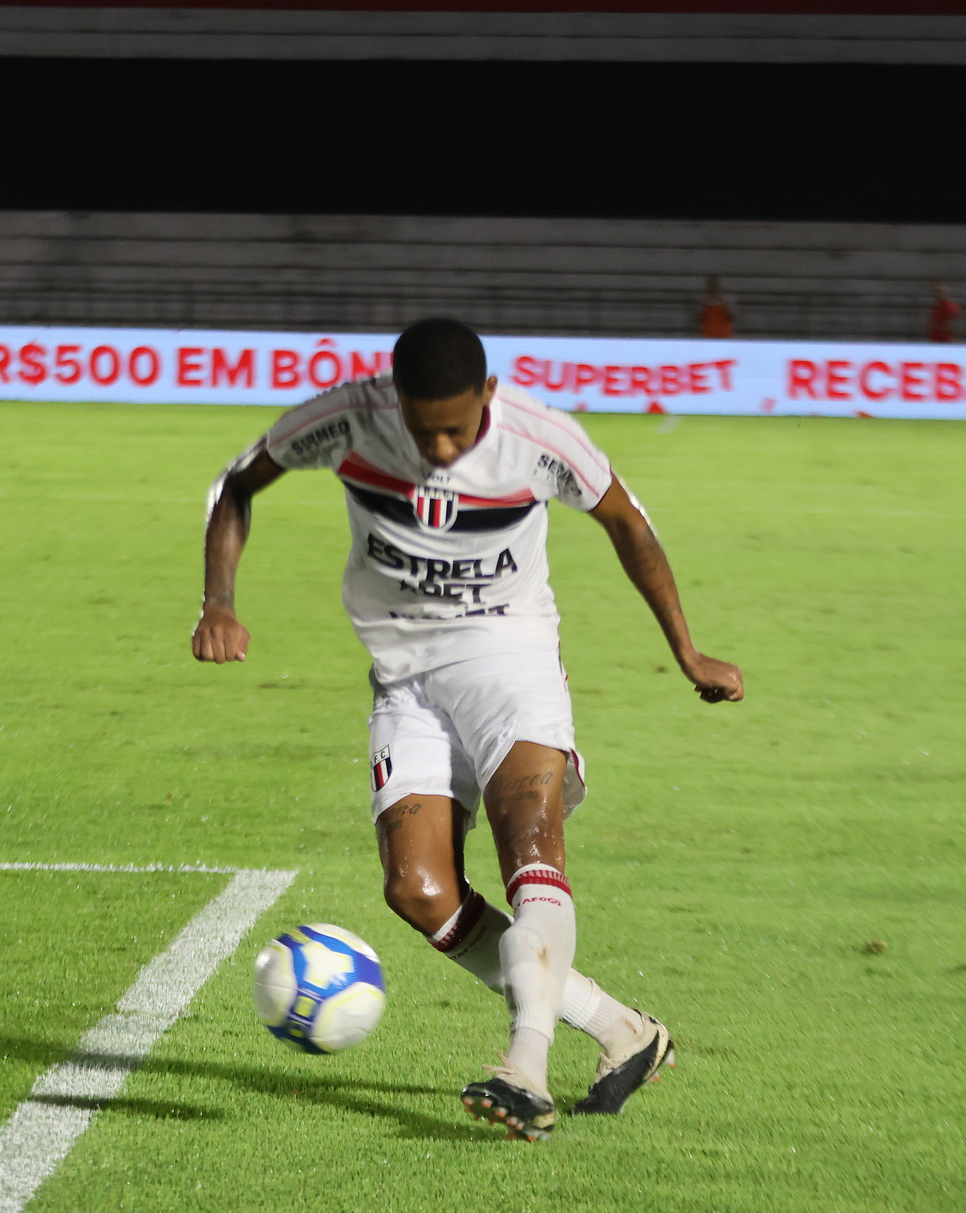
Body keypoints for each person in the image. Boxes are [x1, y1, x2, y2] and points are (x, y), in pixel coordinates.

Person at [192, 319, 744, 1142]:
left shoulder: (537, 437)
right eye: (424, 429)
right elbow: (238, 482)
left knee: (531, 860)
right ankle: (625, 1029)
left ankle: (525, 1065)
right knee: (419, 891)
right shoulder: (347, 417)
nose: (442, 447)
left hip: (509, 659)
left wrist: (687, 650)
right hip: (404, 678)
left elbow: (628, 522)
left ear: (488, 395)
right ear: (395, 399)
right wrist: (220, 601)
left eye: (457, 426)